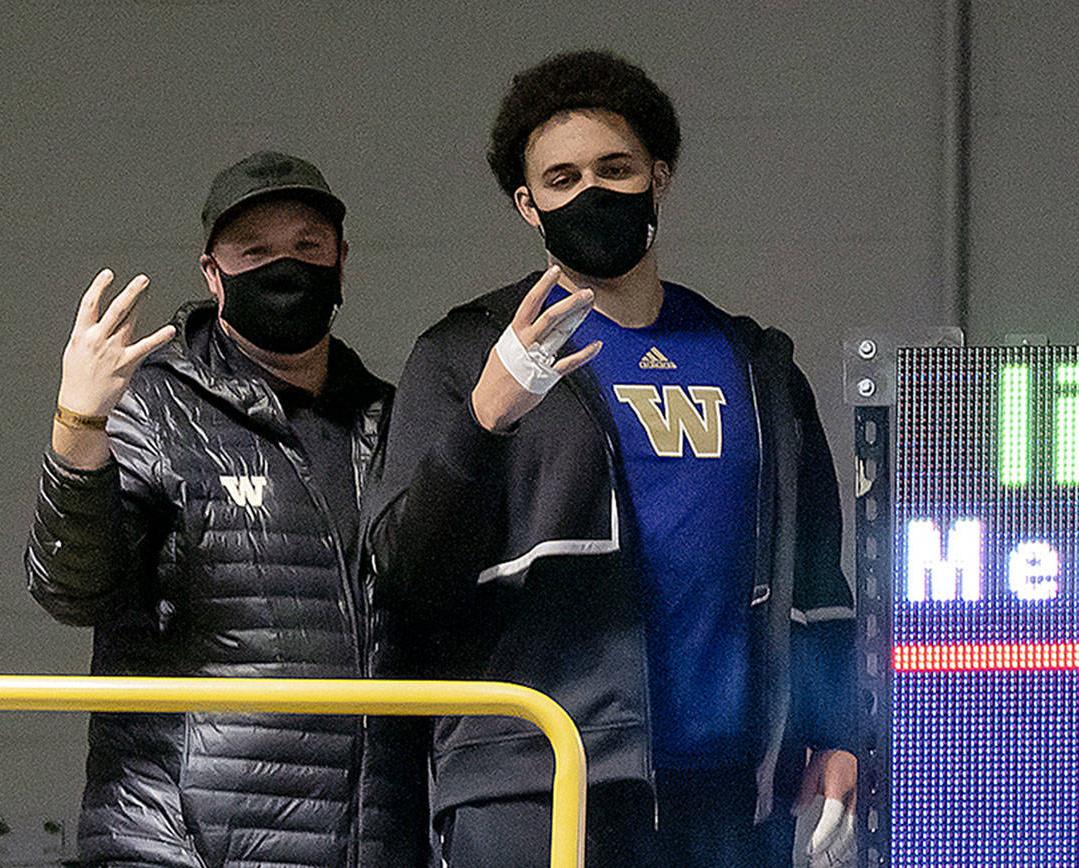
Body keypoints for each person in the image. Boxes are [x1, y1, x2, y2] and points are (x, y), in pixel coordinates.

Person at [366, 51, 857, 867]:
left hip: (732, 793)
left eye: (615, 168)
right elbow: (400, 578)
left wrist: (839, 733)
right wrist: (485, 418)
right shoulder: (461, 354)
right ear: (529, 205)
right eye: (561, 179)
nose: (590, 192)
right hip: (536, 784)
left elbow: (817, 584)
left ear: (659, 177)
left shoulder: (754, 363)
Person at [25, 151, 424, 867]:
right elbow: (72, 587)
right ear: (212, 274)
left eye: (308, 247)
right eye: (256, 251)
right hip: (184, 848)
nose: (286, 267)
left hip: (370, 842)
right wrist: (77, 427)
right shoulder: (150, 407)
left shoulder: (391, 420)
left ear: (342, 263)